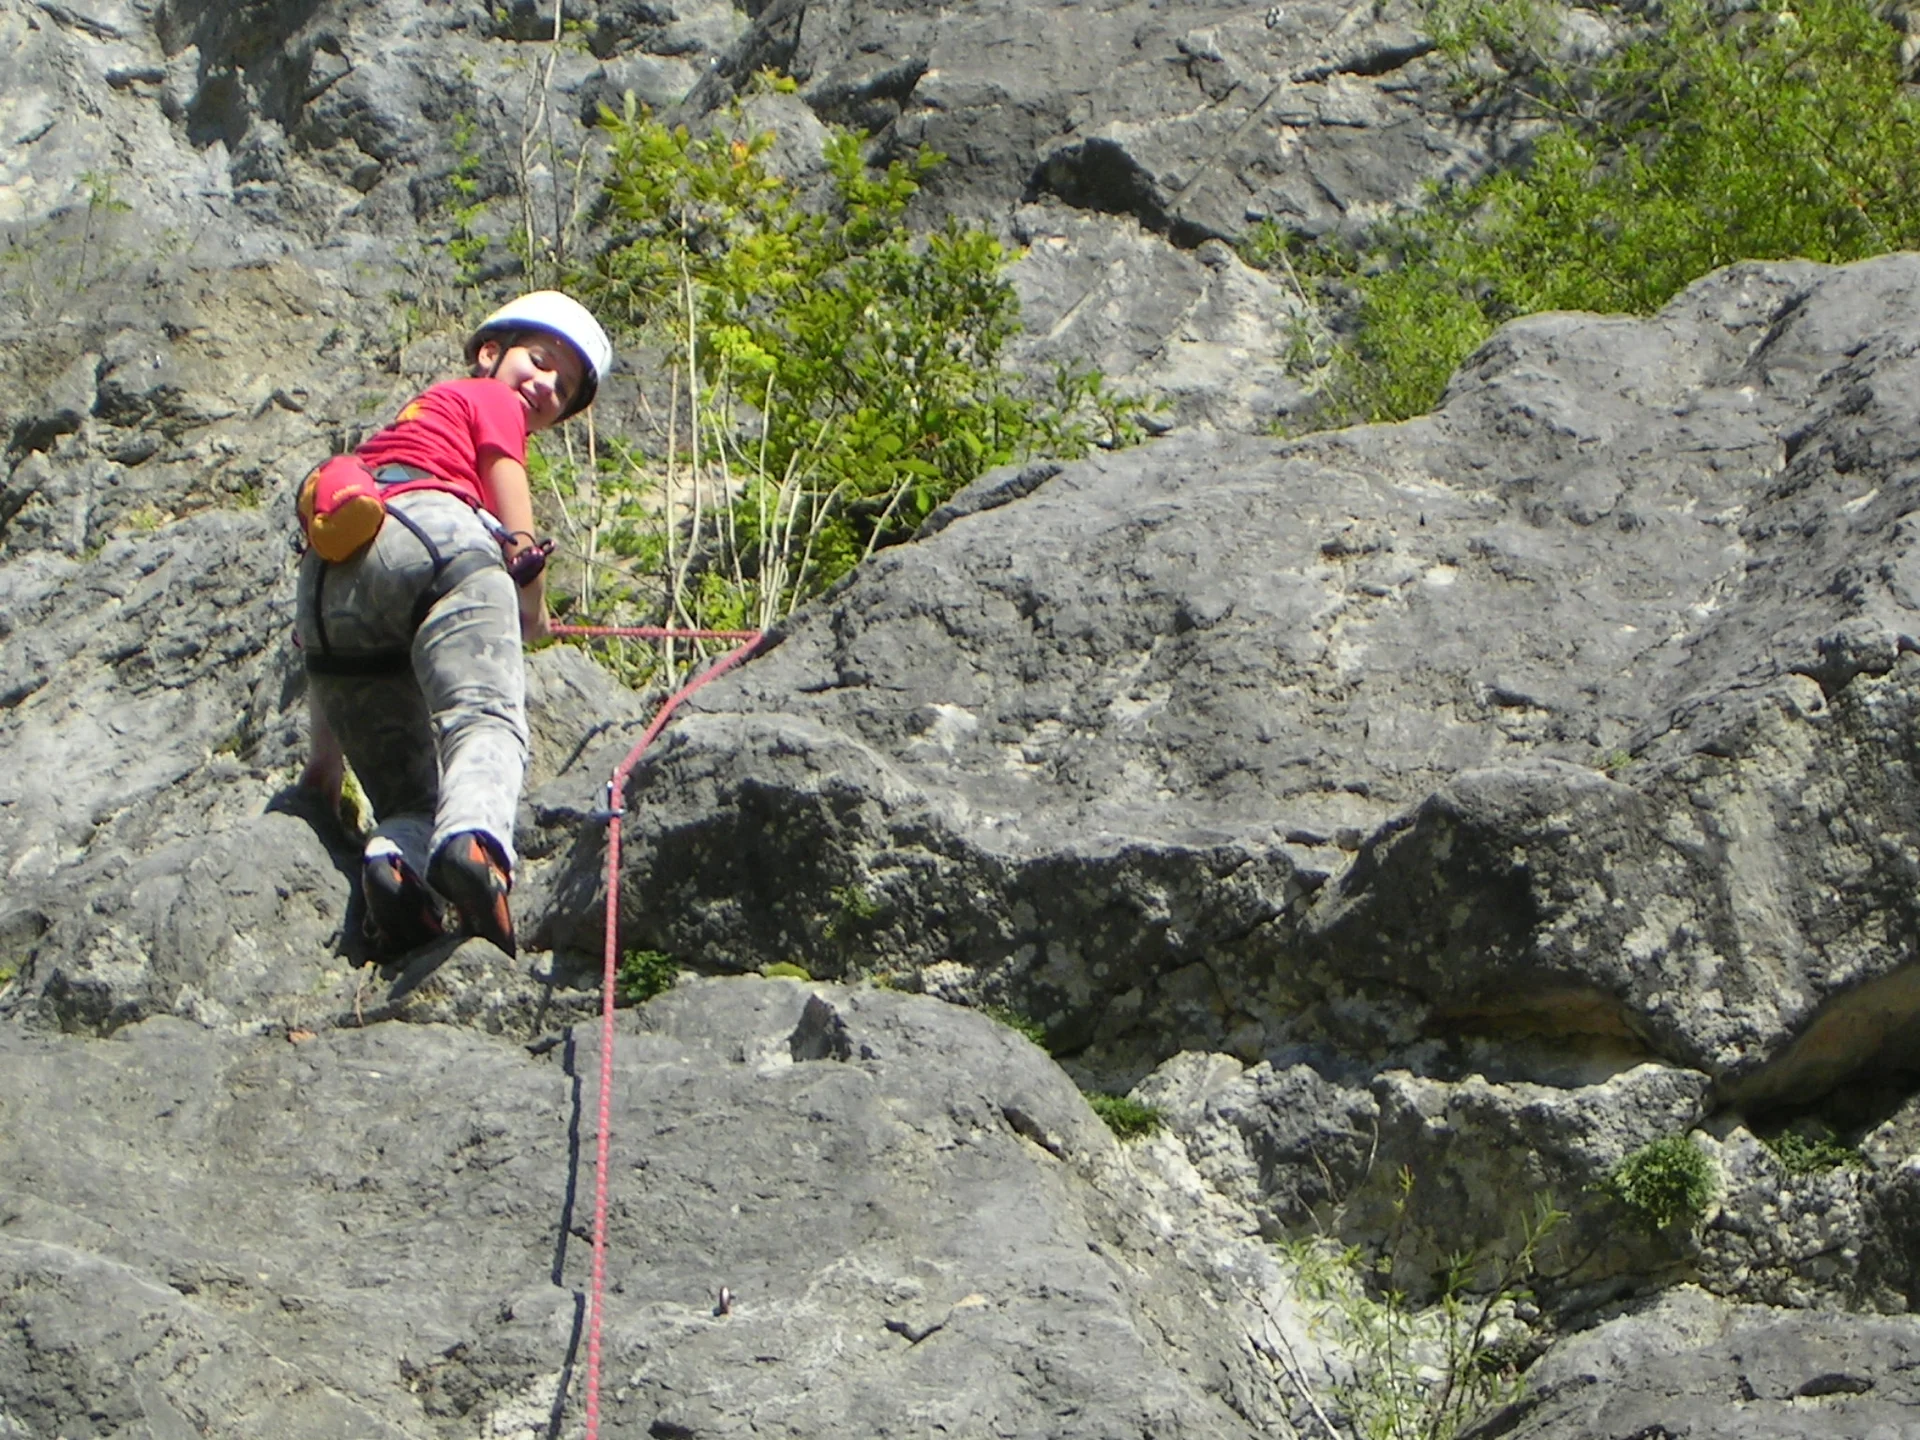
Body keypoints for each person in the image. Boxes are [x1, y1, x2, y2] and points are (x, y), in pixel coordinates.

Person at [295, 291, 613, 960]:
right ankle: (476, 849)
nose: (548, 385)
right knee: (485, 717)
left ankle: (396, 866)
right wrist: (529, 593)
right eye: (540, 360)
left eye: (565, 384)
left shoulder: (387, 442)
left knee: (411, 791)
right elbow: (506, 476)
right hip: (436, 533)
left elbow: (321, 655)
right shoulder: (482, 396)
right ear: (489, 353)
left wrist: (323, 766)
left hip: (328, 589)